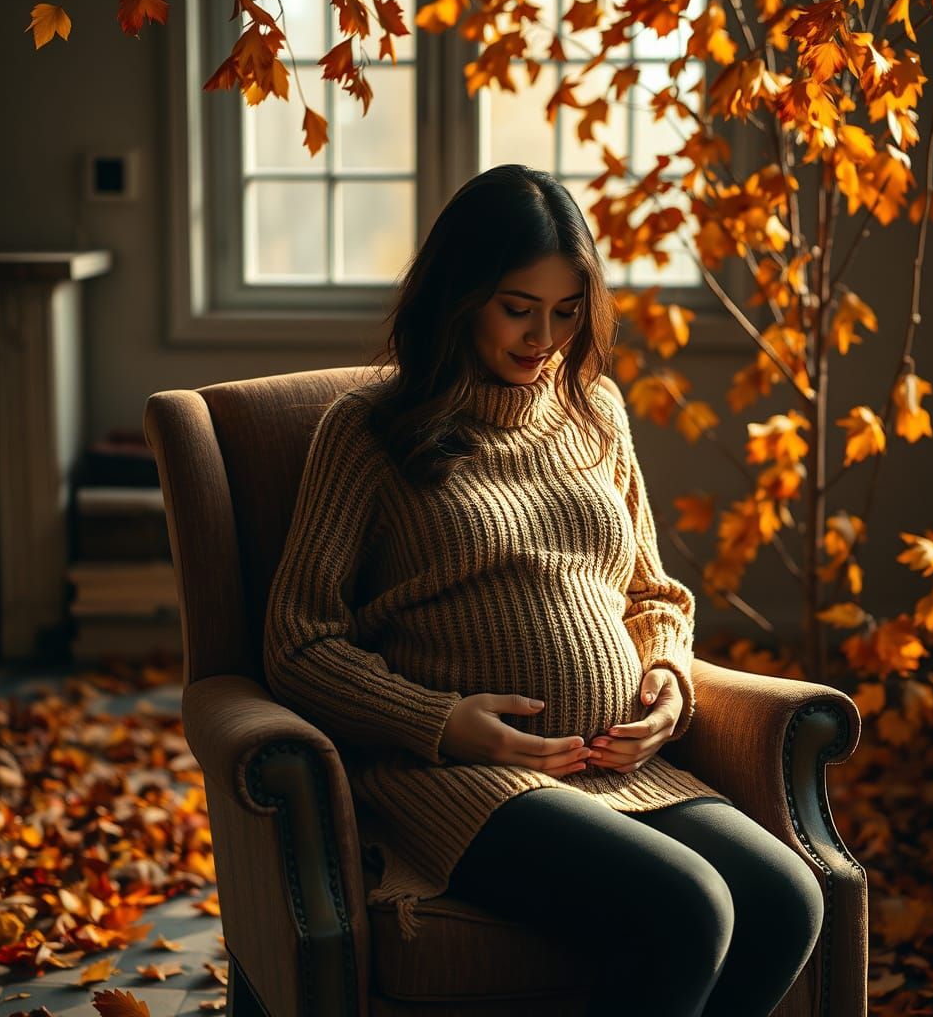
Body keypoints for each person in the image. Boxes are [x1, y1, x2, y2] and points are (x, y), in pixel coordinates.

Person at [263, 163, 824, 1015]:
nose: (544, 339)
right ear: (459, 297)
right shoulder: (371, 432)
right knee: (690, 908)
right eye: (518, 309)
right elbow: (298, 641)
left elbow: (654, 595)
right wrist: (443, 724)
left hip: (615, 769)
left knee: (789, 898)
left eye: (567, 312)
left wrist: (669, 686)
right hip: (460, 779)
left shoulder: (594, 410)